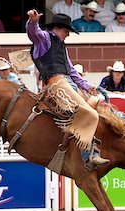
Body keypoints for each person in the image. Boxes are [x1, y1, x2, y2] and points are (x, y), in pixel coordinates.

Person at [26, 10, 110, 169]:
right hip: (57, 84)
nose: (68, 35)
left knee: (94, 107)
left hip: (67, 82)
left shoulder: (61, 46)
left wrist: (86, 86)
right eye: (67, 31)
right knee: (88, 113)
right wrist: (32, 22)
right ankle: (88, 156)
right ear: (57, 28)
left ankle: (88, 150)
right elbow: (34, 34)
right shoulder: (45, 38)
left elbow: (71, 70)